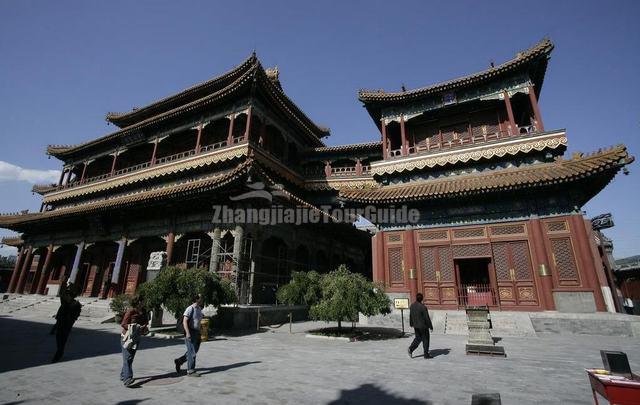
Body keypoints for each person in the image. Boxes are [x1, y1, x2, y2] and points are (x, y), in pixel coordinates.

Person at [51, 278, 82, 363]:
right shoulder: (65, 302)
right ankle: (60, 350)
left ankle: (59, 352)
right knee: (58, 336)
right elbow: (62, 295)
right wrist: (67, 285)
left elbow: (76, 315)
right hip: (61, 320)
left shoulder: (76, 304)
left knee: (63, 337)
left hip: (67, 323)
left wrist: (71, 320)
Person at [120, 296, 149, 387]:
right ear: (139, 302)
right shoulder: (131, 311)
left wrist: (144, 327)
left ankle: (122, 375)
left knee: (130, 357)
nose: (144, 302)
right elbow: (123, 323)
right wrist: (134, 327)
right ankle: (127, 379)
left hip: (136, 338)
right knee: (128, 357)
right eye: (143, 301)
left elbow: (145, 322)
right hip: (127, 337)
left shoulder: (143, 311)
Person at [174, 294, 204, 377]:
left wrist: (200, 330)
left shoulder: (199, 309)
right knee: (192, 353)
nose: (202, 299)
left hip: (197, 333)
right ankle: (190, 371)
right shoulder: (190, 308)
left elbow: (198, 321)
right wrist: (187, 333)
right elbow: (184, 321)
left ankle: (179, 361)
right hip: (191, 332)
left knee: (194, 351)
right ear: (197, 299)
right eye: (201, 297)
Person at [408, 293, 433, 359]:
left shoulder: (412, 306)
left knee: (418, 338)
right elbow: (426, 318)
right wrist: (430, 326)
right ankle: (426, 354)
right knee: (426, 339)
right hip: (423, 326)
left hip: (416, 325)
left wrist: (411, 323)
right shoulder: (423, 307)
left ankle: (411, 349)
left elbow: (410, 315)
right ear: (422, 299)